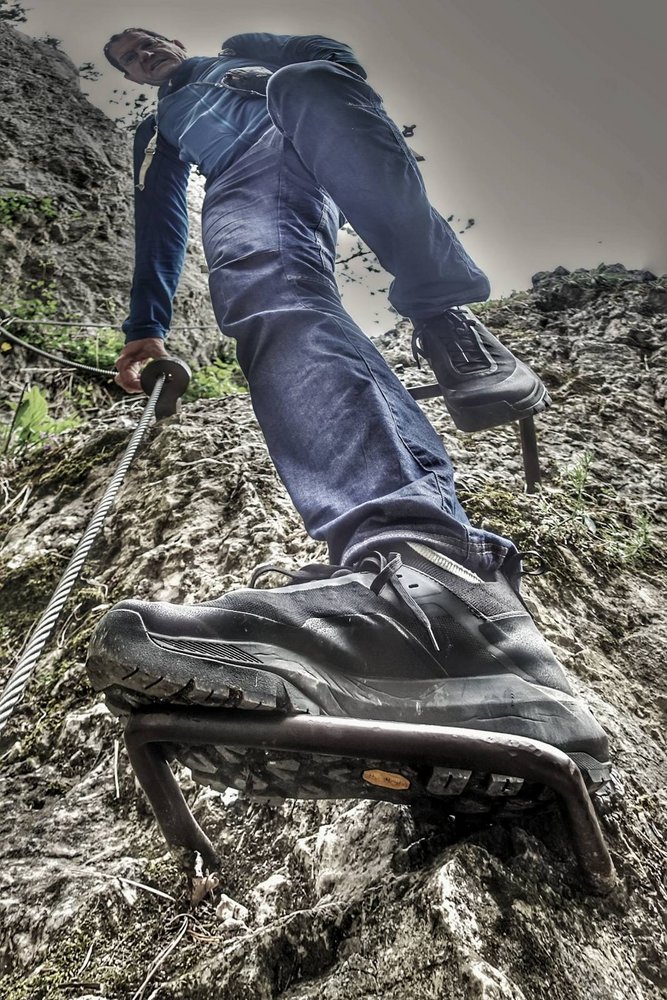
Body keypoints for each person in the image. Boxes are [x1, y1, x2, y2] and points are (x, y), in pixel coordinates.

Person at [87, 28, 609, 805]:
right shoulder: (159, 129)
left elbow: (335, 65)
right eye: (128, 59)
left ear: (168, 38)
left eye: (144, 43)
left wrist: (285, 63)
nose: (141, 55)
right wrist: (145, 326)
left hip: (307, 126)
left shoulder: (250, 52)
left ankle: (443, 316)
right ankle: (446, 605)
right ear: (135, 77)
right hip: (241, 181)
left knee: (307, 84)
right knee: (273, 304)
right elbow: (159, 217)